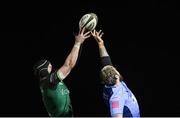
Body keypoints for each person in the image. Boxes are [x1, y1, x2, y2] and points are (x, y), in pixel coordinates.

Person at [33, 27, 91, 117]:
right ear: (43, 69)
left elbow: (71, 65)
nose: (51, 67)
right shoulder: (49, 81)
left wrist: (80, 44)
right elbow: (69, 65)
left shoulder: (49, 81)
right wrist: (77, 43)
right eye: (49, 66)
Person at [91, 29, 140, 118]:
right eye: (115, 69)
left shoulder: (109, 80)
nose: (116, 68)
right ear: (117, 76)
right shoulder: (116, 98)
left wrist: (100, 44)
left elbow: (106, 62)